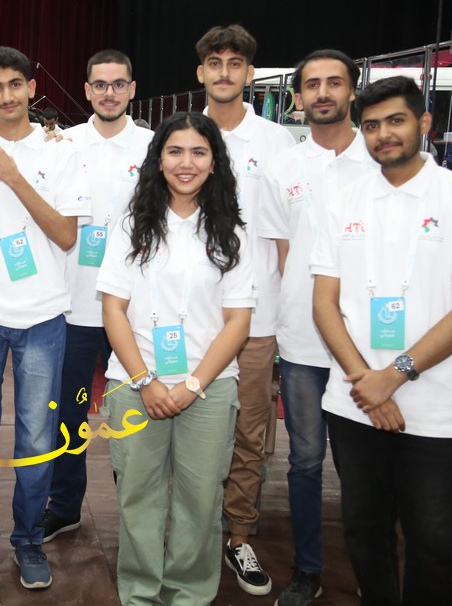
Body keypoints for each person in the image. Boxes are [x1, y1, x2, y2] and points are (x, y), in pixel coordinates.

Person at [310, 76, 452, 604]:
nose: (383, 134)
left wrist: (393, 376)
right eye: (371, 125)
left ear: (424, 123)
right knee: (364, 533)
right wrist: (366, 383)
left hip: (436, 407)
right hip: (355, 403)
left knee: (433, 541)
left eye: (395, 121)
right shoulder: (343, 201)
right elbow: (325, 304)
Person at [0, 46, 89, 590]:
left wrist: (14, 177)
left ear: (31, 88)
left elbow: (67, 235)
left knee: (36, 438)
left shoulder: (61, 150)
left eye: (15, 85)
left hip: (44, 316)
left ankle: (28, 540)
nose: (6, 96)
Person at [99, 112, 254, 605]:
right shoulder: (131, 226)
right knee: (138, 496)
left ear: (214, 162)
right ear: (159, 159)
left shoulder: (231, 231)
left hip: (209, 387)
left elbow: (238, 321)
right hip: (135, 384)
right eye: (175, 151)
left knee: (200, 499)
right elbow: (113, 310)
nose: (186, 163)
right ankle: (141, 593)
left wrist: (193, 385)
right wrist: (145, 380)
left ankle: (189, 593)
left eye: (199, 152)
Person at [258, 49, 378, 606]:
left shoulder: (380, 160)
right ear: (299, 97)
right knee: (304, 461)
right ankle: (307, 569)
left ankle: (375, 569)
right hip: (304, 343)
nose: (323, 93)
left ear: (353, 90)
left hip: (369, 343)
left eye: (334, 82)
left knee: (364, 465)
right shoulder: (283, 168)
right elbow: (284, 257)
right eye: (312, 85)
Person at [196, 23, 294, 596]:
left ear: (250, 73)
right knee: (189, 430)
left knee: (249, 433)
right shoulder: (184, 134)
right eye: (215, 62)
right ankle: (190, 532)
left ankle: (237, 537)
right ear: (201, 72)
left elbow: (286, 239)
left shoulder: (278, 143)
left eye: (235, 63)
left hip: (256, 318)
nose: (225, 72)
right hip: (191, 319)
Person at [39, 49, 153, 542]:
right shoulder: (63, 144)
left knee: (135, 418)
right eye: (100, 84)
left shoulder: (155, 146)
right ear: (86, 90)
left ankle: (138, 512)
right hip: (74, 306)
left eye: (118, 84)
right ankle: (64, 506)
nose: (109, 93)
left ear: (132, 89)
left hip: (135, 310)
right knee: (70, 413)